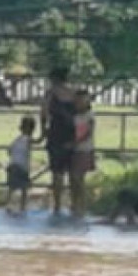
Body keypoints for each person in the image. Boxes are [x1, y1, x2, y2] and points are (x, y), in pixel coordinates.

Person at [40, 66, 76, 216]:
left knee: (57, 172)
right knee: (73, 172)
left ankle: (57, 205)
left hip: (56, 133)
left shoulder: (50, 94)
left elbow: (43, 113)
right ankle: (74, 203)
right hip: (72, 133)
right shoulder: (74, 93)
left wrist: (43, 132)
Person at [71, 89, 96, 218]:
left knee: (79, 177)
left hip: (84, 148)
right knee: (73, 178)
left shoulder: (89, 115)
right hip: (75, 149)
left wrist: (77, 141)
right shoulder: (74, 115)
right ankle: (74, 203)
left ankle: (82, 204)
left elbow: (88, 132)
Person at [5, 116, 37, 215]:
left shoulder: (17, 139)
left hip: (13, 165)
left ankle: (8, 204)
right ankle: (23, 206)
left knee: (11, 187)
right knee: (24, 188)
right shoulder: (28, 139)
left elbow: (9, 150)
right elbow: (38, 141)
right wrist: (45, 133)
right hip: (22, 167)